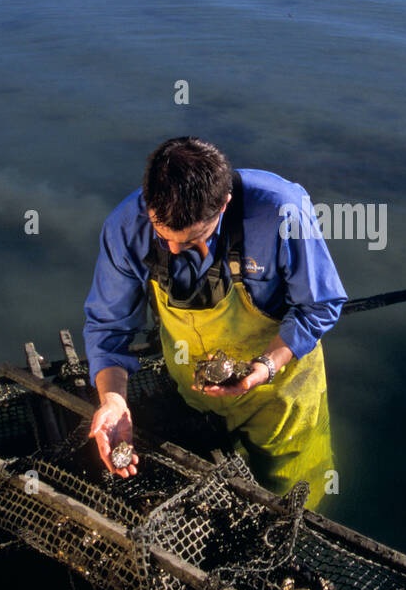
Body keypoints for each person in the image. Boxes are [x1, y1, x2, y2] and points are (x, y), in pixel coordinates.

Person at [83, 137, 347, 509]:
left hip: (280, 397)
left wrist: (265, 367)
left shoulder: (282, 211)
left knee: (292, 498)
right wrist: (112, 401)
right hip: (195, 394)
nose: (173, 250)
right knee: (219, 500)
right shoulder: (125, 228)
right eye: (163, 235)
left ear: (223, 205)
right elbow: (109, 331)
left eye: (193, 238)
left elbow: (320, 305)